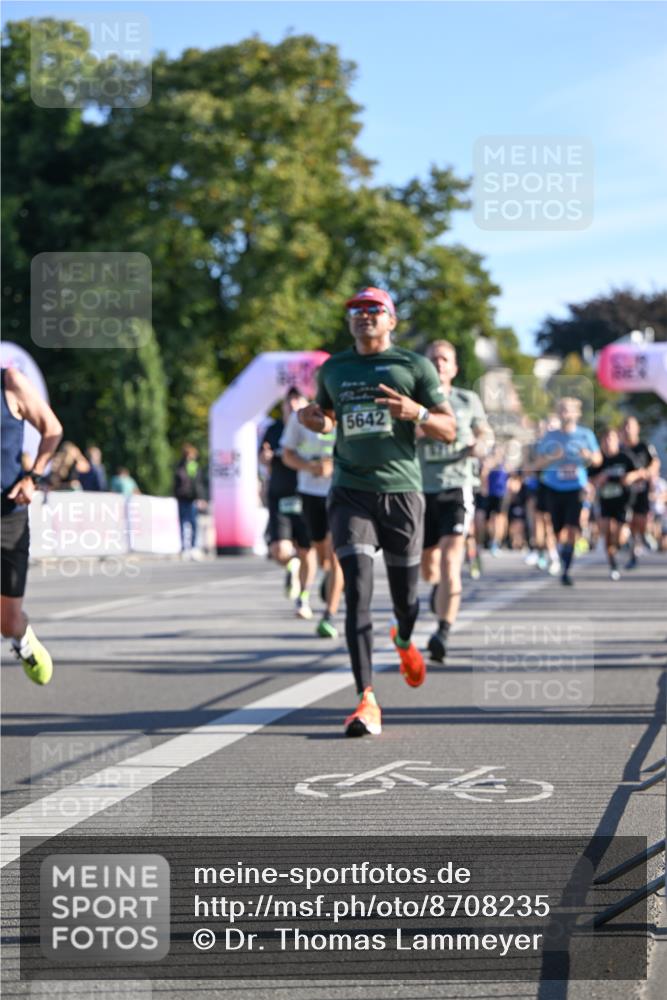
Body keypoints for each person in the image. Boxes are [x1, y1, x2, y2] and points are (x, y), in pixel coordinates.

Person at [298, 287, 456, 737]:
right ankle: (366, 699)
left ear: (391, 319)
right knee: (357, 592)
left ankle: (404, 639)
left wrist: (417, 411)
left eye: (373, 310)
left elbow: (448, 429)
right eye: (355, 310)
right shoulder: (334, 368)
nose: (363, 315)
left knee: (406, 600)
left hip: (402, 494)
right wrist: (317, 421)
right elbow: (328, 417)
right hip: (350, 491)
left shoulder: (414, 366)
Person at [417, 340, 492, 663]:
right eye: (433, 359)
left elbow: (485, 433)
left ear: (455, 367)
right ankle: (438, 591)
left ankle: (443, 632)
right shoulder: (414, 401)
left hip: (457, 486)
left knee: (450, 561)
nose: (439, 364)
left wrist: (480, 444)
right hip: (420, 488)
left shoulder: (466, 399)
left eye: (445, 359)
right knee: (428, 567)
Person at [1, 367, 62, 684]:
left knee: (7, 622)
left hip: (8, 515)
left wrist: (33, 477)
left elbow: (52, 428)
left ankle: (21, 639)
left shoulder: (9, 382)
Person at [281, 404, 344, 635]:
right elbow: (287, 455)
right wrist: (311, 467)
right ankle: (328, 579)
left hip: (341, 491)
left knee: (338, 554)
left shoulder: (347, 410)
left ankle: (330, 615)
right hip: (309, 492)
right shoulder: (302, 416)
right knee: (320, 555)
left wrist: (334, 467)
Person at [534, 397, 602, 586]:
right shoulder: (550, 436)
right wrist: (551, 457)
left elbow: (598, 459)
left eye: (569, 410)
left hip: (575, 488)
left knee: (572, 527)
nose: (565, 414)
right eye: (562, 410)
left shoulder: (585, 435)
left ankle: (566, 568)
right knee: (556, 530)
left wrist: (588, 456)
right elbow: (537, 463)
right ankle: (561, 552)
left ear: (577, 413)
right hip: (554, 487)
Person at [259, 387, 311, 606]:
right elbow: (263, 460)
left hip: (307, 494)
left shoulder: (311, 427)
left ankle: (304, 598)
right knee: (278, 551)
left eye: (296, 401)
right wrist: (266, 459)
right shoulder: (273, 430)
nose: (291, 406)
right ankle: (292, 564)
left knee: (307, 551)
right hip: (280, 495)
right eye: (287, 403)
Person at [589, 427, 641, 581]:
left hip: (623, 502)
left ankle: (626, 543)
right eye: (605, 439)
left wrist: (629, 477)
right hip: (605, 501)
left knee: (618, 537)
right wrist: (599, 480)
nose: (608, 442)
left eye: (611, 439)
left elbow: (639, 472)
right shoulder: (598, 460)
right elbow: (589, 478)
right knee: (606, 531)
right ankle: (613, 565)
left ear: (617, 440)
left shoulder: (625, 457)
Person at [621, 416, 660, 569]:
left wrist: (643, 474)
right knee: (629, 523)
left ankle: (644, 537)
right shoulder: (620, 449)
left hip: (642, 491)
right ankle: (632, 555)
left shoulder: (645, 446)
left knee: (641, 522)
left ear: (637, 428)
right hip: (625, 494)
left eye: (630, 426)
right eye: (625, 426)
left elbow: (655, 463)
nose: (627, 430)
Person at [174, 443, 207, 557]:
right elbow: (176, 483)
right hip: (182, 497)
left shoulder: (195, 466)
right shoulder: (179, 466)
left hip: (192, 498)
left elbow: (198, 484)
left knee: (193, 523)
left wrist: (201, 497)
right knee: (183, 523)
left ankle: (193, 547)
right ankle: (184, 548)